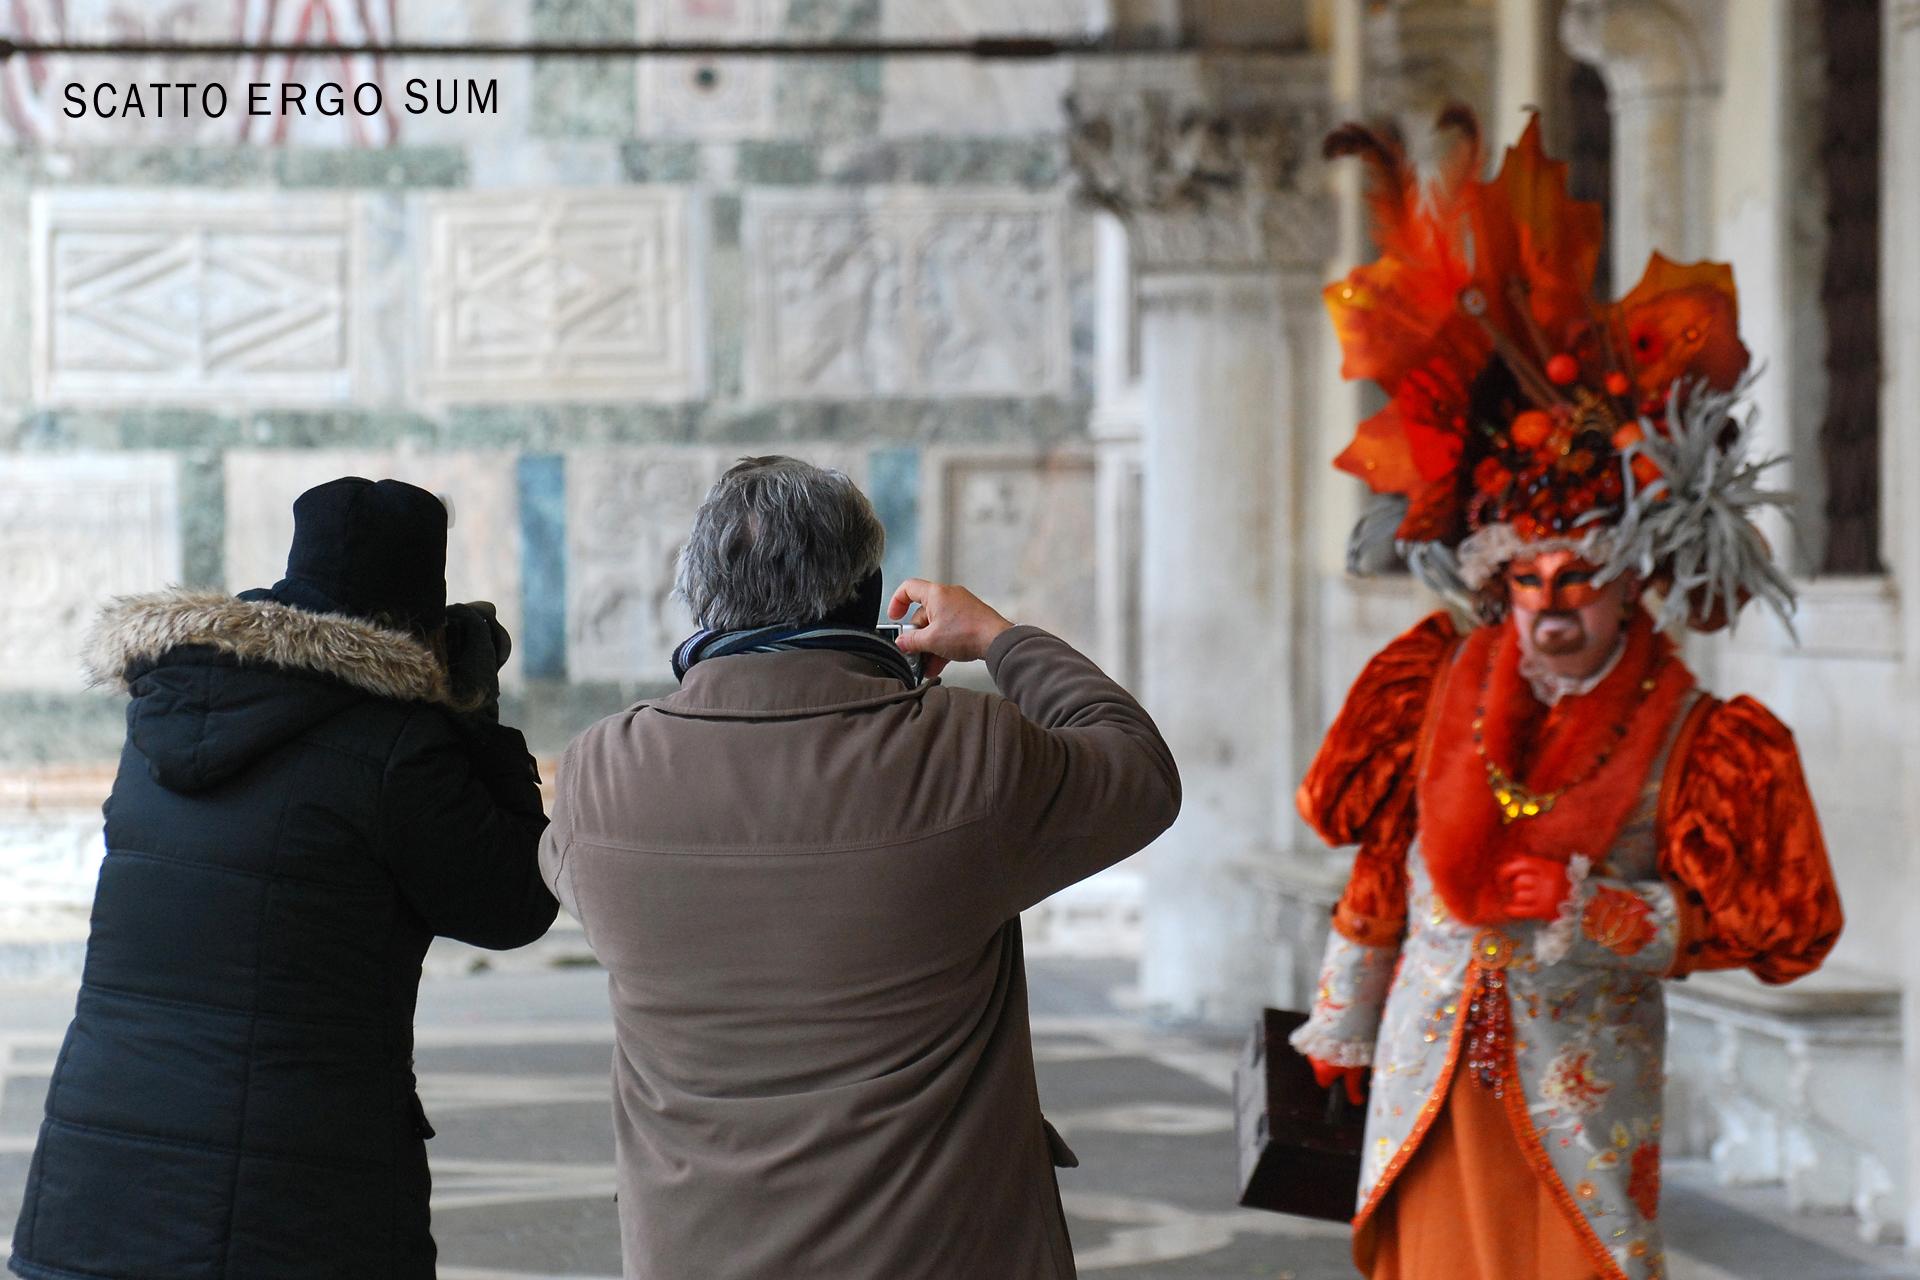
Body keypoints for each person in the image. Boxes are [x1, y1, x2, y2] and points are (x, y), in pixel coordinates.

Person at [1289, 110, 1844, 1280]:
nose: (1550, 600)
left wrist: (1606, 915)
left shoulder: (1700, 734)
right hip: (1426, 1073)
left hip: (1580, 1107)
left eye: (1578, 576)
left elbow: (1768, 917)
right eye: (1527, 575)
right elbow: (1385, 854)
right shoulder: (1433, 681)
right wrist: (1341, 1016)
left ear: (1630, 579)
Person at [541, 455, 1180, 1280]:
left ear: (700, 596)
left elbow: (561, 868)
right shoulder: (966, 752)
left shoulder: (599, 773)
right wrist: (999, 639)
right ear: (865, 595)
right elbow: (1138, 769)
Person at [9, 477, 557, 1280]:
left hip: (97, 1180)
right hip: (291, 1201)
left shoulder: (166, 715)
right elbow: (515, 903)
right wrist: (475, 716)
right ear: (423, 624)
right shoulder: (399, 748)